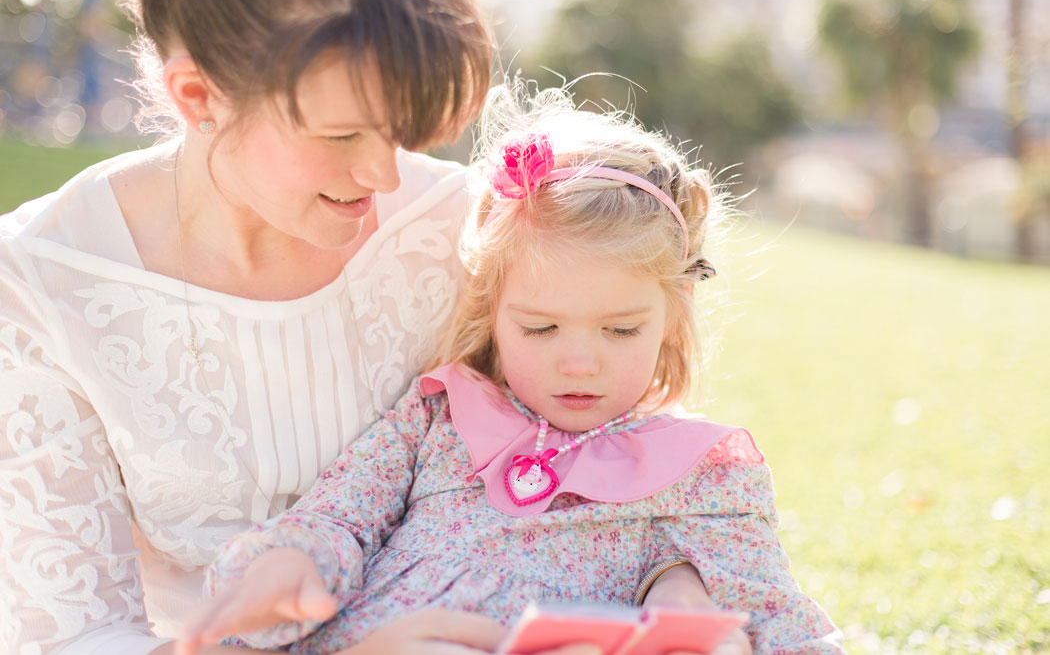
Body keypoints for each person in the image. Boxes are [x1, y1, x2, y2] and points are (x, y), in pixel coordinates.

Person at [0, 0, 708, 653]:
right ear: (198, 95)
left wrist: (676, 569)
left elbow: (595, 415)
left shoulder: (453, 225)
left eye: (400, 127)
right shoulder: (39, 281)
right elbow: (74, 635)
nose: (383, 173)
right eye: (341, 136)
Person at [177, 85, 845, 655]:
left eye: (621, 330)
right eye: (540, 327)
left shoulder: (705, 473)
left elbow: (776, 617)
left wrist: (689, 598)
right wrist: (294, 564)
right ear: (491, 311)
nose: (579, 360)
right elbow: (343, 514)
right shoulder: (441, 415)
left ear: (674, 314)